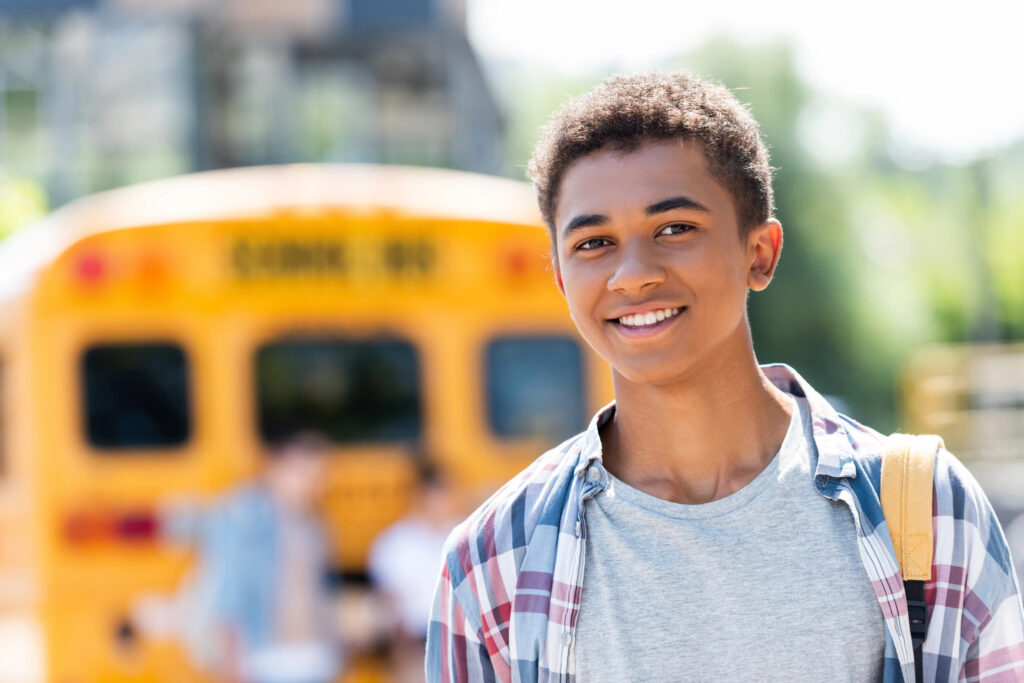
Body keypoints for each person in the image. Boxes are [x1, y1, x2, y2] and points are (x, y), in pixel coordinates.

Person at [426, 72, 1024, 681]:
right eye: (594, 242)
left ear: (759, 253)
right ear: (560, 280)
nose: (632, 275)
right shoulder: (495, 561)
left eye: (674, 228)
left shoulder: (924, 509)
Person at [178, 432, 342, 683]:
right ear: (275, 468)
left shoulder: (315, 525)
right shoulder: (244, 517)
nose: (311, 484)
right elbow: (228, 598)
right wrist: (233, 668)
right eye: (303, 474)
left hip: (315, 658)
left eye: (317, 477)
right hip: (266, 659)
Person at [369, 462, 460, 682]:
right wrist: (402, 652)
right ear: (421, 495)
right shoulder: (396, 542)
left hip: (460, 641)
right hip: (416, 644)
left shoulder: (464, 534)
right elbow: (390, 604)